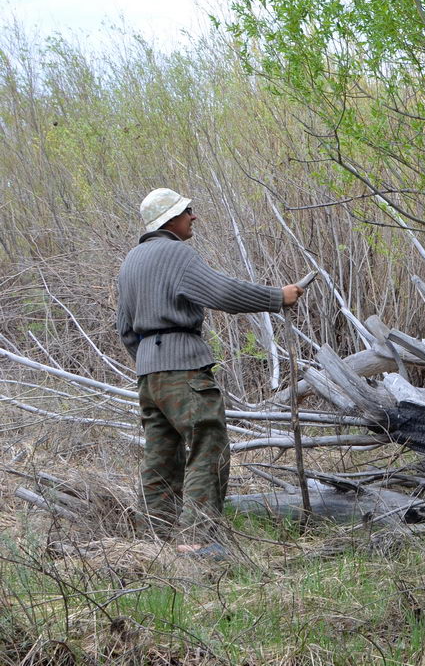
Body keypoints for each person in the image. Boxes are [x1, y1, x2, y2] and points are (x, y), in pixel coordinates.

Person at [116, 187, 305, 557]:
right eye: (188, 210)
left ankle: (155, 543)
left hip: (148, 376)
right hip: (184, 371)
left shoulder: (130, 262)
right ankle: (199, 540)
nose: (193, 216)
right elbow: (222, 292)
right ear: (170, 219)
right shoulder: (177, 254)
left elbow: (125, 329)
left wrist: (151, 361)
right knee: (208, 444)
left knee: (160, 456)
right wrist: (276, 297)